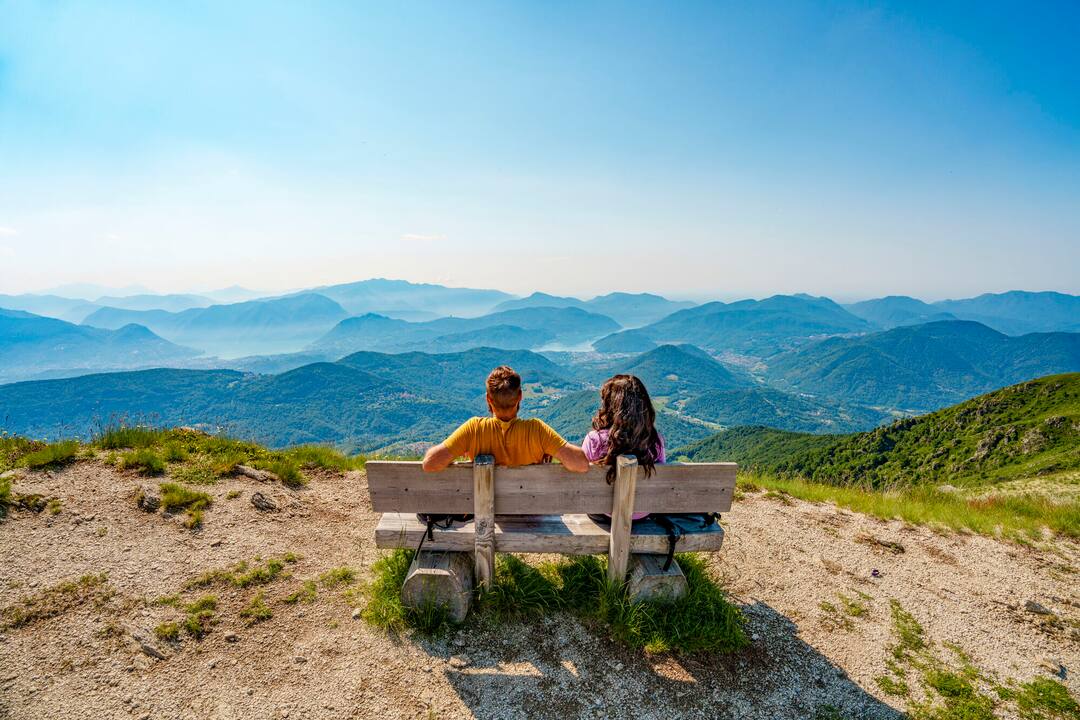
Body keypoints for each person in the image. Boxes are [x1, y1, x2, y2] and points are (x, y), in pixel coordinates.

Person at [422, 365, 589, 472]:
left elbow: (429, 463)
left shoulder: (473, 429)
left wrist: (464, 446)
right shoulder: (537, 430)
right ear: (520, 397)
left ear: (488, 399)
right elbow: (581, 463)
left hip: (487, 517)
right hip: (532, 516)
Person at [581, 374, 665, 520]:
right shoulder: (655, 441)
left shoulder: (594, 439)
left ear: (609, 406)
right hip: (642, 514)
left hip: (602, 513)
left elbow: (582, 483)